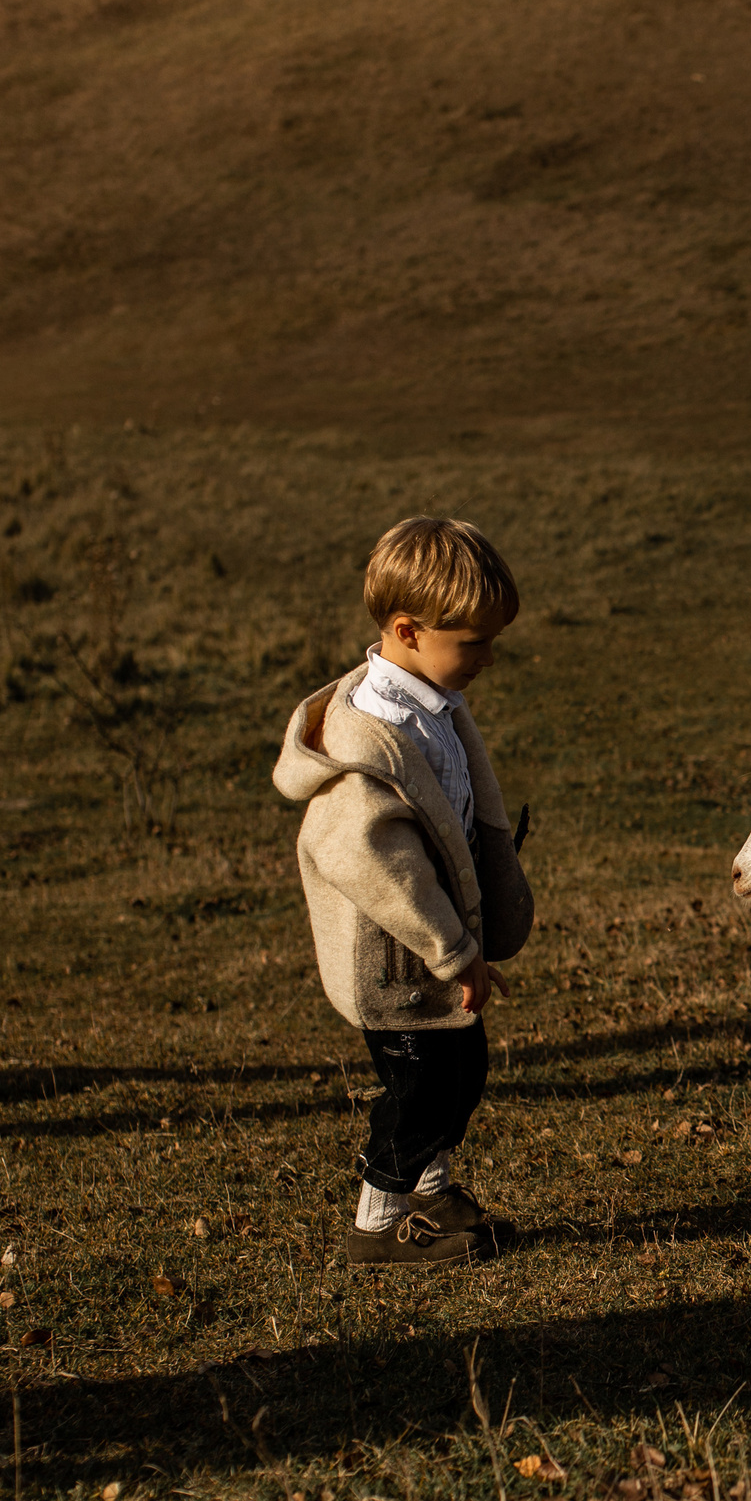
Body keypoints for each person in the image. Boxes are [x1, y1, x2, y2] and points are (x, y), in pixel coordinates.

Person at [274, 517, 534, 1265]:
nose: (488, 657)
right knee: (424, 1084)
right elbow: (369, 855)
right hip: (396, 956)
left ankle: (431, 1190)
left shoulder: (432, 706)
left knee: (461, 1065)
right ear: (408, 630)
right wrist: (452, 950)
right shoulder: (378, 735)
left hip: (431, 942)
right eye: (473, 642)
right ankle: (379, 1219)